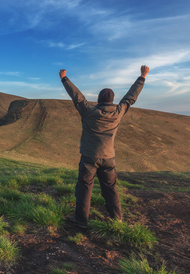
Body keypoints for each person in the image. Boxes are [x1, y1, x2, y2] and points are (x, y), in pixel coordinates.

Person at [60, 65, 150, 228]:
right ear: (112, 100)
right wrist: (142, 76)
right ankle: (117, 219)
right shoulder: (118, 112)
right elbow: (131, 97)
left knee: (85, 188)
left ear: (99, 99)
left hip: (89, 158)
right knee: (110, 189)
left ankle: (81, 221)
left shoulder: (88, 111)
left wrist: (64, 78)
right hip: (109, 158)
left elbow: (77, 97)